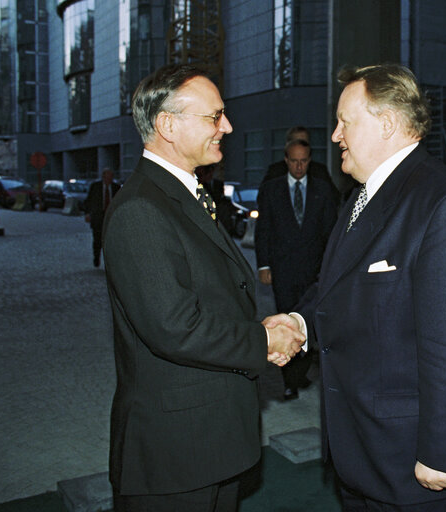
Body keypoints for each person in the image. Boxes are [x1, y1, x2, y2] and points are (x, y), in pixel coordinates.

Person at [286, 63, 446, 511]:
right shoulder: (363, 196)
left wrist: (444, 451)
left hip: (414, 462)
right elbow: (338, 288)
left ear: (386, 123)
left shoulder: (445, 204)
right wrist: (299, 322)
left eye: (345, 121)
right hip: (363, 449)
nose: (335, 135)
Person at [102, 63, 306, 512]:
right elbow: (174, 327)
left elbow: (215, 296)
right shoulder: (141, 209)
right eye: (214, 117)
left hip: (208, 440)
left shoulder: (180, 194)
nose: (227, 127)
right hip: (176, 452)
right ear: (167, 125)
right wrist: (264, 339)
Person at [255, 137, 337, 400]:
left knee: (311, 323)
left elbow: (330, 234)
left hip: (314, 273)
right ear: (286, 160)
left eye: (304, 161)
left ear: (309, 161)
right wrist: (264, 265)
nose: (299, 167)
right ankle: (289, 380)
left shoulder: (323, 190)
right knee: (288, 322)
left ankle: (301, 374)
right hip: (283, 270)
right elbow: (263, 229)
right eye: (294, 161)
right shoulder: (271, 190)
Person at [262, 125, 337, 193]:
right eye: (296, 143)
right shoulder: (275, 171)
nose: (300, 147)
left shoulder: (320, 171)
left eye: (304, 143)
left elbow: (334, 198)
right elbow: (263, 197)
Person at [84, 167, 120, 267]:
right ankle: (96, 258)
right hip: (98, 217)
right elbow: (88, 201)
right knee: (97, 239)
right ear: (103, 176)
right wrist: (87, 213)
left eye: (111, 176)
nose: (109, 178)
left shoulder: (116, 188)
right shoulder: (95, 187)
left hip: (111, 218)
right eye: (107, 176)